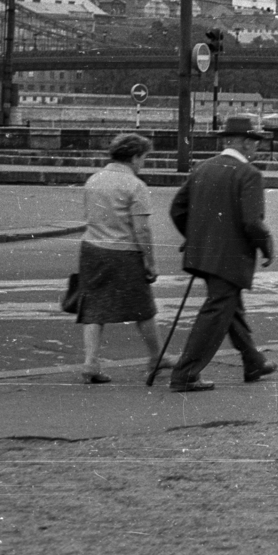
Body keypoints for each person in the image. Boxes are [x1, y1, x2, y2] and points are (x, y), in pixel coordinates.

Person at [166, 114, 278, 391]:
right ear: (240, 143)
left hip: (203, 254)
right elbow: (252, 222)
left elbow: (177, 209)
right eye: (252, 141)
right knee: (218, 311)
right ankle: (186, 373)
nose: (255, 147)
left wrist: (194, 236)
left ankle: (254, 361)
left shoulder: (203, 168)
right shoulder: (249, 174)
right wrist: (267, 246)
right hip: (230, 257)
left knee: (229, 307)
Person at [76, 132, 170, 384]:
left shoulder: (94, 180)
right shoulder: (135, 185)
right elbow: (141, 229)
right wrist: (149, 262)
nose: (143, 163)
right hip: (123, 252)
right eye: (143, 158)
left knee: (94, 309)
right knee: (143, 308)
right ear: (134, 156)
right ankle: (156, 358)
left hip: (92, 249)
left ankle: (90, 363)